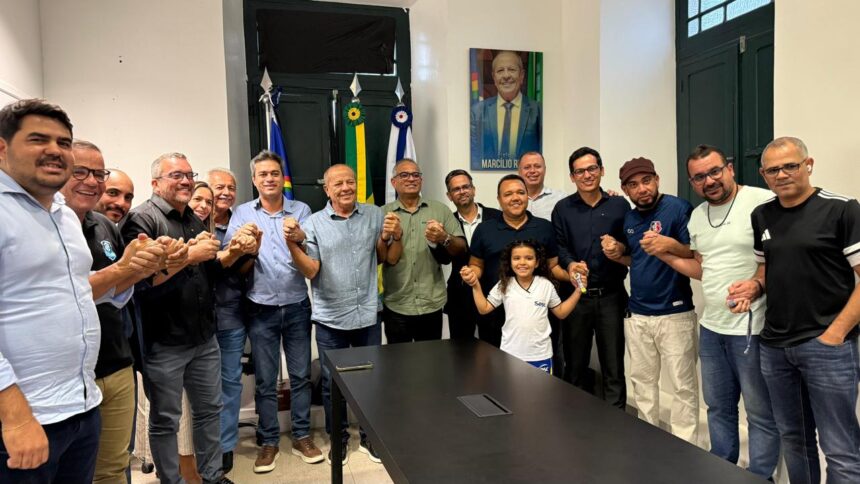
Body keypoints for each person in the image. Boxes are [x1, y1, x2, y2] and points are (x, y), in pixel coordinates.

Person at [729, 137, 860, 482]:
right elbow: (765, 270)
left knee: (841, 448)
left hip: (827, 347)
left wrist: (835, 334)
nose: (782, 174)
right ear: (763, 175)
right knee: (794, 440)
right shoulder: (762, 215)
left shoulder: (842, 209)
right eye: (773, 170)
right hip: (775, 348)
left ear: (808, 164)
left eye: (791, 166)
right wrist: (754, 287)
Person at [651, 145, 778, 478]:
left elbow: (781, 258)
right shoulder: (697, 216)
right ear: (692, 182)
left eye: (714, 171)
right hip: (712, 328)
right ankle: (721, 470)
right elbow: (703, 269)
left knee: (760, 413)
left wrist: (756, 285)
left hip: (753, 327)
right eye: (699, 177)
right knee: (718, 408)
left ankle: (760, 476)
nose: (709, 181)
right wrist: (664, 254)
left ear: (730, 169)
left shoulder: (762, 202)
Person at [0, 99, 102, 482]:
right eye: (38, 139)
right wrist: (15, 416)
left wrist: (133, 270)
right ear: (2, 148)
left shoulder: (64, 214)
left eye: (64, 142)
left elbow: (76, 295)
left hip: (81, 407)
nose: (55, 151)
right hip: (24, 420)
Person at [121, 152, 235, 484]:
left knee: (209, 412)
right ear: (156, 183)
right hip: (164, 343)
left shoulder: (193, 219)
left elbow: (208, 272)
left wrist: (231, 251)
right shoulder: (141, 220)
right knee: (165, 421)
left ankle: (212, 476)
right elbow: (140, 282)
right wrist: (190, 256)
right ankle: (172, 481)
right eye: (176, 175)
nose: (186, 181)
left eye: (189, 175)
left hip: (203, 338)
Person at [61, 139, 165, 483]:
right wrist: (123, 269)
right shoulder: (44, 225)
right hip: (71, 371)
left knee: (114, 466)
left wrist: (151, 264)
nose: (92, 181)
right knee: (73, 471)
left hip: (117, 360)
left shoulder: (104, 226)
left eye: (98, 173)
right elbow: (64, 295)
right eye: (81, 172)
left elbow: (116, 294)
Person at [286, 164, 401, 465]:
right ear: (327, 189)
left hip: (368, 313)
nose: (346, 187)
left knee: (370, 380)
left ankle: (369, 437)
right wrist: (293, 244)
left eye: (350, 181)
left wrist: (392, 236)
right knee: (331, 383)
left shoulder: (374, 215)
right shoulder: (313, 224)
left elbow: (385, 258)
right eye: (338, 184)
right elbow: (311, 270)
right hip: (330, 318)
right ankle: (338, 438)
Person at [226, 150, 322, 473]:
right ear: (255, 180)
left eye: (274, 174)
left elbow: (312, 251)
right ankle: (268, 441)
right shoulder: (242, 213)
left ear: (283, 178)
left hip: (296, 305)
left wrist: (300, 237)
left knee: (300, 376)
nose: (269, 179)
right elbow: (231, 257)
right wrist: (245, 246)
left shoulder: (302, 210)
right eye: (263, 174)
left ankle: (302, 435)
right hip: (259, 307)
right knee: (266, 380)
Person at [602, 157, 699, 444]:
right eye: (633, 185)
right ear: (625, 190)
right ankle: (647, 442)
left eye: (646, 181)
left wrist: (670, 245)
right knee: (642, 384)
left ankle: (686, 446)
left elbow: (695, 254)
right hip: (638, 314)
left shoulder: (678, 208)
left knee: (682, 386)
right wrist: (617, 254)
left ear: (656, 179)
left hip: (675, 313)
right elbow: (637, 259)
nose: (642, 189)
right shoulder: (630, 219)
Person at [552, 146, 630, 410]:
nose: (587, 175)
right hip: (576, 298)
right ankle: (576, 420)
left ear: (602, 170)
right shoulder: (562, 209)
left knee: (614, 366)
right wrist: (570, 264)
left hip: (611, 297)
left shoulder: (619, 205)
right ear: (572, 177)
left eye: (592, 168)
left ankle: (616, 423)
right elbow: (559, 247)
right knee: (575, 365)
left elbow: (630, 243)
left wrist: (619, 248)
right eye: (580, 171)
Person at [468, 174, 568, 347]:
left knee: (540, 361)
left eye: (521, 193)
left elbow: (553, 266)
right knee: (495, 361)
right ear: (499, 199)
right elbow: (476, 264)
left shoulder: (545, 227)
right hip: (496, 314)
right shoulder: (484, 229)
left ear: (527, 196)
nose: (515, 198)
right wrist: (471, 275)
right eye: (508, 194)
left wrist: (571, 277)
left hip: (538, 316)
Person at [462, 239, 582, 374]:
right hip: (510, 353)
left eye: (529, 258)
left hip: (540, 355)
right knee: (511, 388)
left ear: (537, 262)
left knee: (540, 388)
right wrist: (475, 285)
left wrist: (578, 291)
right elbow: (483, 308)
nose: (522, 262)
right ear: (510, 262)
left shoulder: (546, 285)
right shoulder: (504, 284)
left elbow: (561, 312)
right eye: (516, 258)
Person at [382, 159, 466, 343]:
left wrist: (444, 237)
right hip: (397, 304)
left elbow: (461, 248)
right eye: (404, 175)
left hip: (431, 303)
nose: (411, 179)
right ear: (393, 182)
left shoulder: (440, 210)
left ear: (421, 180)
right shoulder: (383, 214)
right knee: (398, 359)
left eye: (416, 175)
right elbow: (381, 258)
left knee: (431, 358)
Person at [207, 168, 254, 474]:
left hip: (230, 316)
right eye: (219, 187)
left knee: (229, 385)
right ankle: (196, 449)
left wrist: (250, 251)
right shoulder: (192, 221)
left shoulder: (240, 224)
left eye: (231, 187)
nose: (225, 192)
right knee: (199, 390)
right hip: (194, 322)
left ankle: (225, 448)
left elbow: (243, 271)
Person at [443, 169, 501, 341]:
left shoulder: (497, 217)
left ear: (473, 189)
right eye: (456, 189)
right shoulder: (446, 222)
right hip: (459, 295)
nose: (462, 191)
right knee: (460, 350)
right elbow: (443, 259)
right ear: (449, 196)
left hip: (493, 293)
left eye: (466, 187)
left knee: (494, 347)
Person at [470, 50, 541, 168]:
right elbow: (475, 156)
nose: (506, 76)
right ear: (494, 77)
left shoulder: (538, 110)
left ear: (522, 75)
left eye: (512, 69)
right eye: (500, 71)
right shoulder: (477, 112)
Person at [518, 152, 566, 221]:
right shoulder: (511, 200)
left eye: (537, 166)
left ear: (545, 170)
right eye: (527, 167)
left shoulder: (561, 199)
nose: (532, 171)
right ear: (519, 171)